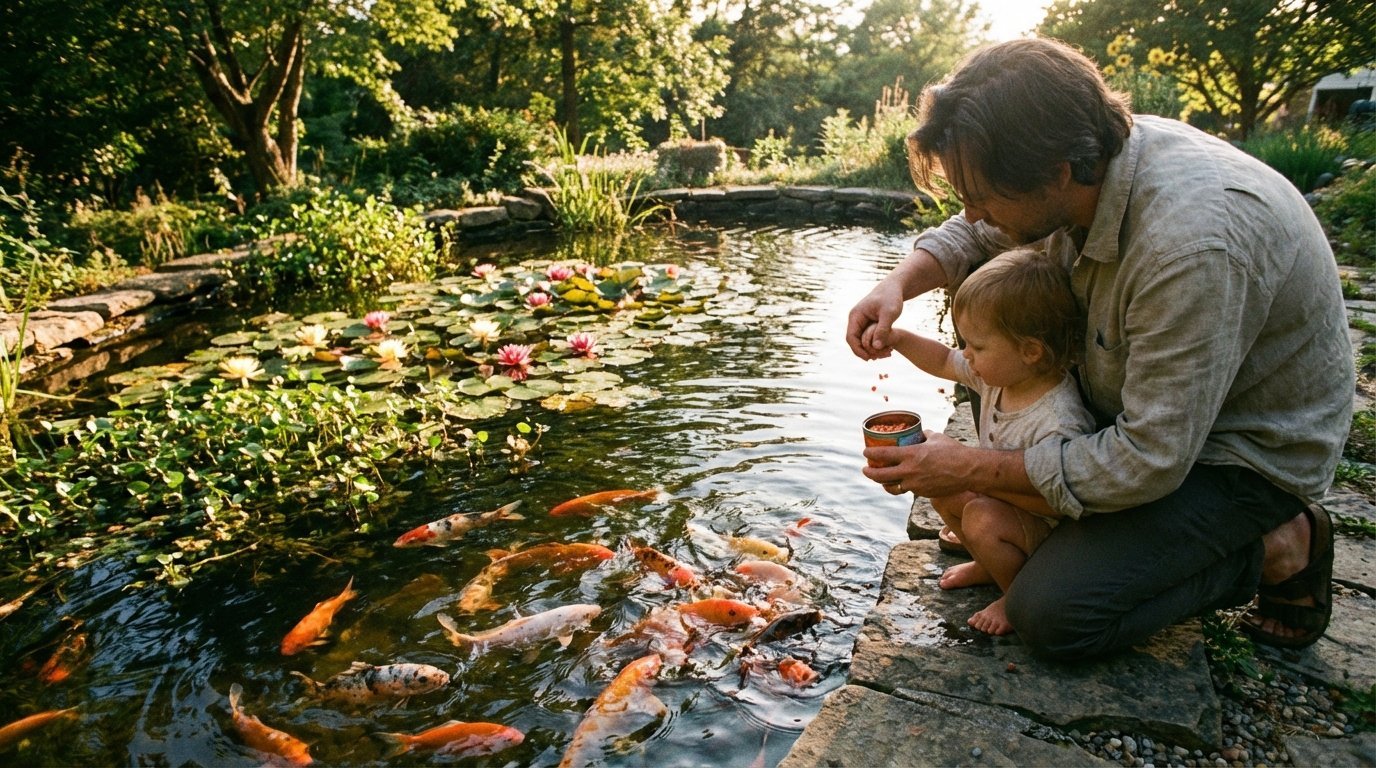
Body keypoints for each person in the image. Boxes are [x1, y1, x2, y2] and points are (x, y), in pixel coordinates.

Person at [848, 37, 1352, 658]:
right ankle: (1052, 534)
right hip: (1146, 408)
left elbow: (1149, 458)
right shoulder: (1084, 161)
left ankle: (1275, 543)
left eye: (981, 198)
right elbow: (977, 228)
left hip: (1232, 453)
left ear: (1054, 173)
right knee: (992, 350)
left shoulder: (1190, 249)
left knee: (1056, 614)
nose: (972, 215)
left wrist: (970, 467)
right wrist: (898, 283)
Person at [885, 246, 1095, 635]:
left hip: (1052, 534)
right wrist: (897, 338)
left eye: (977, 347)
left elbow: (1060, 500)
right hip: (1005, 506)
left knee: (980, 515)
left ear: (1029, 351)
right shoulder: (999, 374)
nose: (968, 354)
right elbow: (944, 360)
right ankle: (988, 562)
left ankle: (1015, 594)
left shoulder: (1057, 419)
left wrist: (975, 484)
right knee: (943, 491)